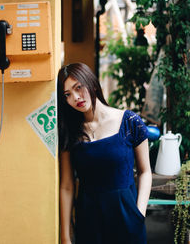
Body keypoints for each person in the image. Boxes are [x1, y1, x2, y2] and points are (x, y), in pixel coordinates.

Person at [58, 62, 152, 244]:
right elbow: (67, 185)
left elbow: (145, 171)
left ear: (92, 83)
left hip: (127, 218)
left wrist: (139, 212)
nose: (76, 97)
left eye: (78, 87)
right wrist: (65, 236)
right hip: (88, 221)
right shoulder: (70, 131)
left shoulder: (130, 122)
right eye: (67, 95)